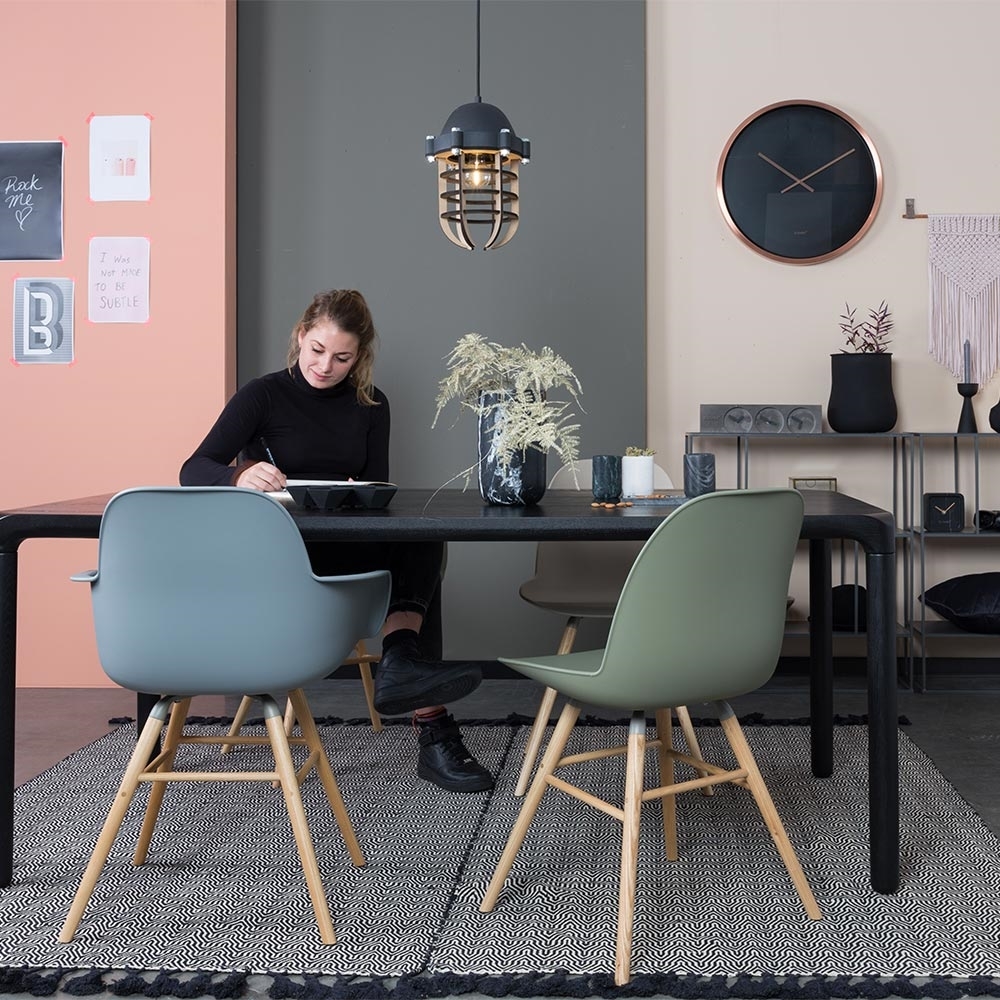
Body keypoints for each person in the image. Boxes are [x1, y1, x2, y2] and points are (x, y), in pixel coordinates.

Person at [179, 288, 493, 793]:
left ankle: (403, 663)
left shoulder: (372, 404)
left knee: (422, 535)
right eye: (317, 350)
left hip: (345, 544)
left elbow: (378, 490)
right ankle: (428, 717)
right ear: (301, 336)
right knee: (417, 575)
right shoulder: (262, 395)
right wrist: (239, 475)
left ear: (360, 355)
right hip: (279, 554)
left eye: (342, 358)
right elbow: (194, 468)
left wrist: (356, 492)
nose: (325, 366)